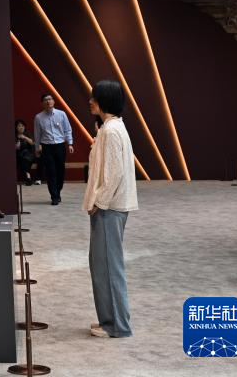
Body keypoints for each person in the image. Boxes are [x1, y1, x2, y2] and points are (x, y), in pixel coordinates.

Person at [83, 80, 138, 338]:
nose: (90, 101)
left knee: (108, 266)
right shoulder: (111, 128)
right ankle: (108, 320)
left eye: (94, 97)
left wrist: (99, 202)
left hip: (109, 208)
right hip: (110, 206)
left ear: (104, 100)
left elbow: (114, 173)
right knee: (101, 265)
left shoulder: (111, 130)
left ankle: (117, 325)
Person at [33, 93, 73, 204]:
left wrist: (70, 143)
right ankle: (54, 196)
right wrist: (37, 148)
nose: (48, 101)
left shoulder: (61, 114)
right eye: (45, 100)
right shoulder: (38, 117)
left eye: (50, 99)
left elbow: (67, 129)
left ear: (54, 101)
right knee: (50, 172)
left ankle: (58, 191)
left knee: (60, 171)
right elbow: (37, 134)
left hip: (60, 146)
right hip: (47, 147)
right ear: (42, 103)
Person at [15, 119, 41, 186]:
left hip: (29, 155)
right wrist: (17, 145)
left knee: (24, 159)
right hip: (18, 156)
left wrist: (24, 137)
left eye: (22, 126)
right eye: (19, 126)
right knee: (21, 159)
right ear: (16, 127)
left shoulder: (28, 134)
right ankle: (28, 177)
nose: (21, 127)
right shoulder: (14, 136)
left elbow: (32, 143)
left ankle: (28, 178)